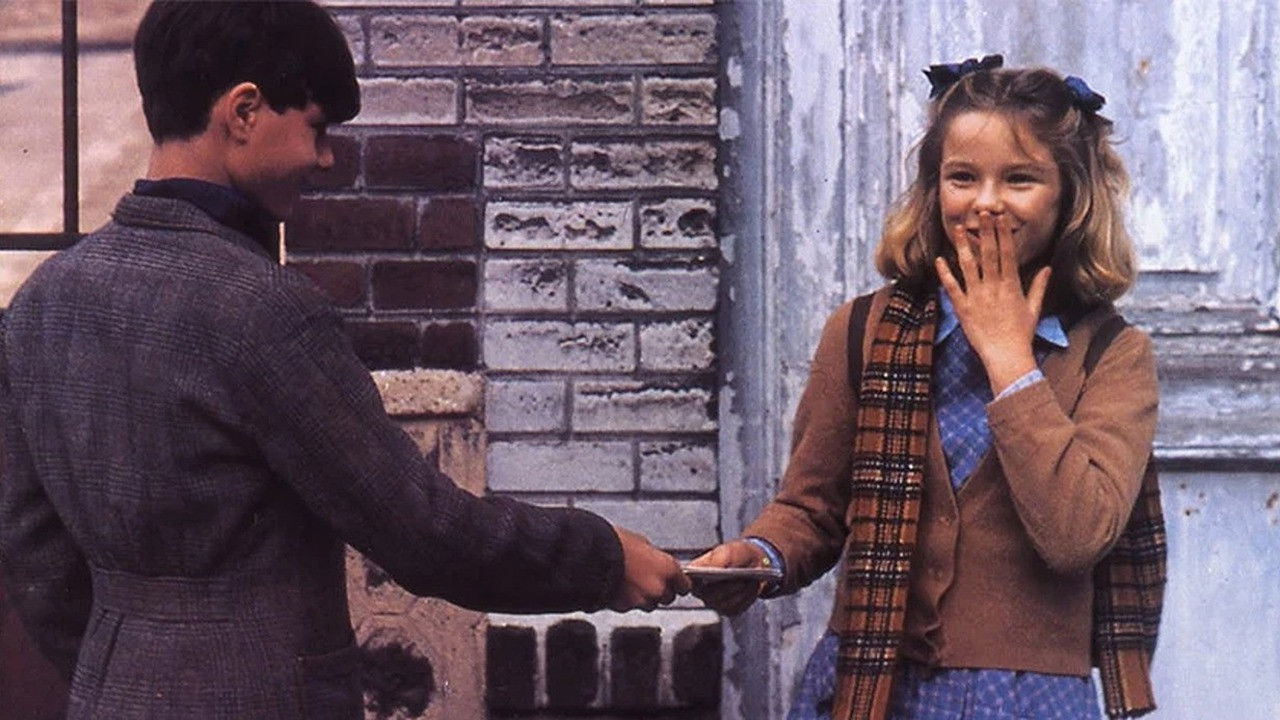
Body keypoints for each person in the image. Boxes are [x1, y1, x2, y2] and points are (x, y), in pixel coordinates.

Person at [0, 2, 689, 718]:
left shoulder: (44, 300)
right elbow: (423, 531)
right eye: (316, 128)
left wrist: (129, 674)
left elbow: (35, 558)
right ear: (244, 111)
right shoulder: (262, 308)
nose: (325, 159)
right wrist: (603, 558)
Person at [689, 56, 1165, 720]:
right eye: (962, 177)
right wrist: (760, 555)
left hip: (1028, 701)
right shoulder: (864, 330)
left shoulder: (1113, 356)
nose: (986, 202)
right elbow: (812, 509)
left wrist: (1010, 358)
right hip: (876, 690)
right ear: (934, 188)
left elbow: (1078, 534)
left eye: (1021, 179)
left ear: (1070, 198)